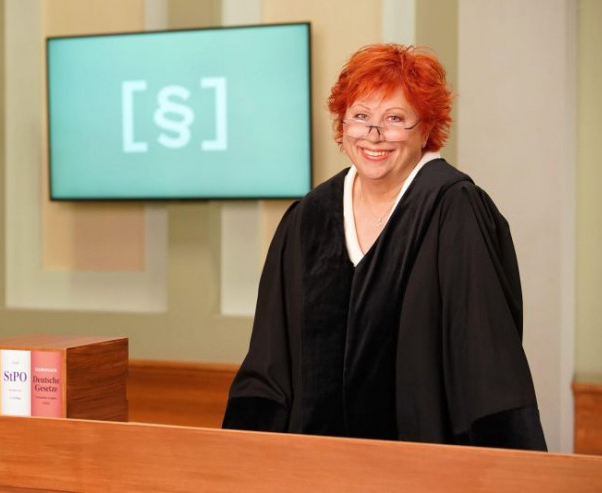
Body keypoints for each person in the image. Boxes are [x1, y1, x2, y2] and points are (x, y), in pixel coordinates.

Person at [222, 44, 547, 450]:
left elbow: (486, 363)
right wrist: (243, 459)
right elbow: (270, 361)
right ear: (343, 124)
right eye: (361, 116)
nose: (374, 134)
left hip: (422, 465)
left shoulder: (453, 210)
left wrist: (502, 468)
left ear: (426, 129)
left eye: (395, 118)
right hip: (315, 466)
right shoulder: (309, 218)